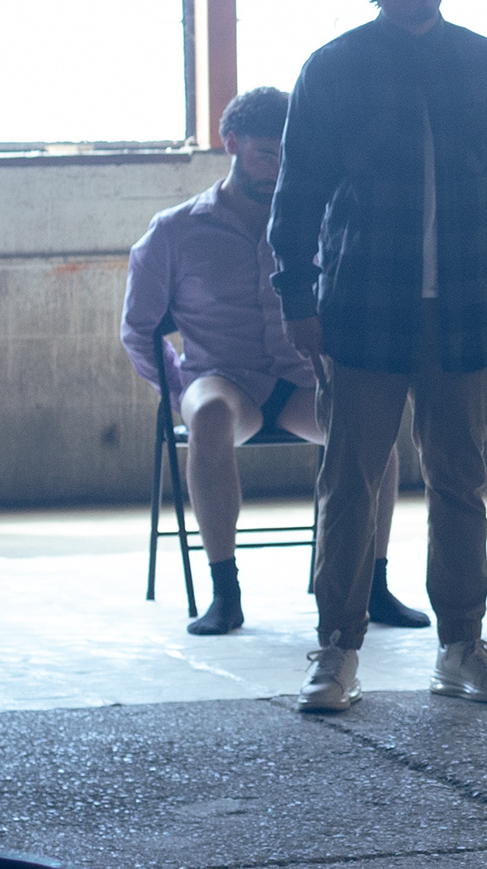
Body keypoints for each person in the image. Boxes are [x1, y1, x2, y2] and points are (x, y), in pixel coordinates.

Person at [270, 0, 487, 716]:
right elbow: (297, 196)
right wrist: (297, 297)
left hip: (467, 307)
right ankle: (337, 650)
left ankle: (462, 646)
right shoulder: (334, 68)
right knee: (350, 483)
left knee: (461, 480)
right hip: (363, 307)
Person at [119, 85, 424, 638]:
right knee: (210, 412)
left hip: (302, 379)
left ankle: (371, 584)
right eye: (266, 154)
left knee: (371, 422)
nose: (278, 169)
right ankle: (225, 593)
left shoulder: (322, 223)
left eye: (289, 155)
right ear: (232, 143)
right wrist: (178, 393)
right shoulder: (174, 231)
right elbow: (139, 329)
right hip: (222, 379)